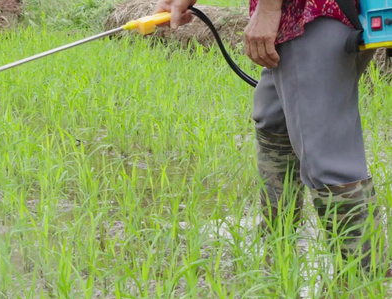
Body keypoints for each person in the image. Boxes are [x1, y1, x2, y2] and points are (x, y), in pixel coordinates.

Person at [154, 0, 388, 276]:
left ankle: (364, 280)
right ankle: (278, 249)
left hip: (313, 14)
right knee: (273, 119)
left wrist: (268, 10)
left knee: (327, 158)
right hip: (298, 17)